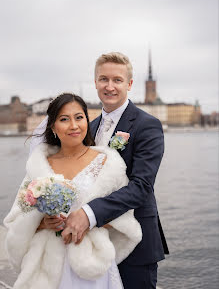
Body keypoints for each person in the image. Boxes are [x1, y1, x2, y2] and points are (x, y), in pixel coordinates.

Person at [4, 93, 142, 289]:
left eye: (79, 117)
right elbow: (18, 216)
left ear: (87, 119)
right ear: (53, 126)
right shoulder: (39, 166)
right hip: (49, 264)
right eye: (64, 119)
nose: (74, 126)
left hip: (91, 263)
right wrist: (42, 223)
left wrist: (88, 220)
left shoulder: (108, 163)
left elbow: (124, 215)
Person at [63, 52, 169, 289]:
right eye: (103, 79)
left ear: (129, 84)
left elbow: (141, 186)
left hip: (135, 242)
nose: (109, 86)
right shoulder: (89, 128)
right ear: (95, 82)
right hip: (94, 244)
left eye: (117, 80)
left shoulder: (147, 125)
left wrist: (88, 214)